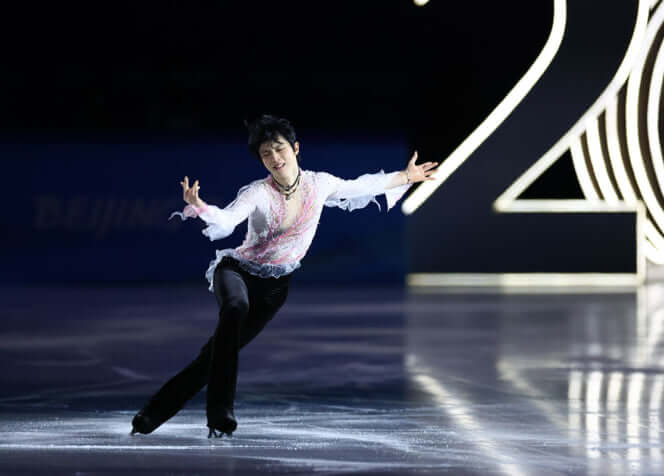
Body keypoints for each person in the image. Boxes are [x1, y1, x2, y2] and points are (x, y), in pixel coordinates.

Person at [130, 114, 439, 438]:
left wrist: (406, 176)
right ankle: (221, 413)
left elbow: (360, 186)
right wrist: (201, 207)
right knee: (235, 307)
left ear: (295, 148)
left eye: (279, 149)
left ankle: (149, 416)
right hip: (236, 271)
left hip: (274, 289)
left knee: (215, 355)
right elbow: (228, 220)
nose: (275, 158)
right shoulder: (258, 193)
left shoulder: (320, 184)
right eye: (266, 154)